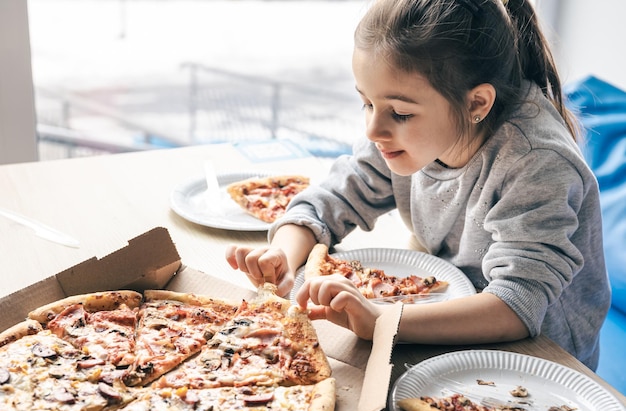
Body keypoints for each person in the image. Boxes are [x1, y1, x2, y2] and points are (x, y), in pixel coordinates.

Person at [225, 0, 611, 370]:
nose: (373, 129)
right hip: (441, 314)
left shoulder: (537, 162)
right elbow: (332, 198)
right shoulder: (398, 134)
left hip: (539, 355)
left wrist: (383, 320)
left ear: (477, 104)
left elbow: (518, 304)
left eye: (399, 112)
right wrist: (283, 256)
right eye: (366, 103)